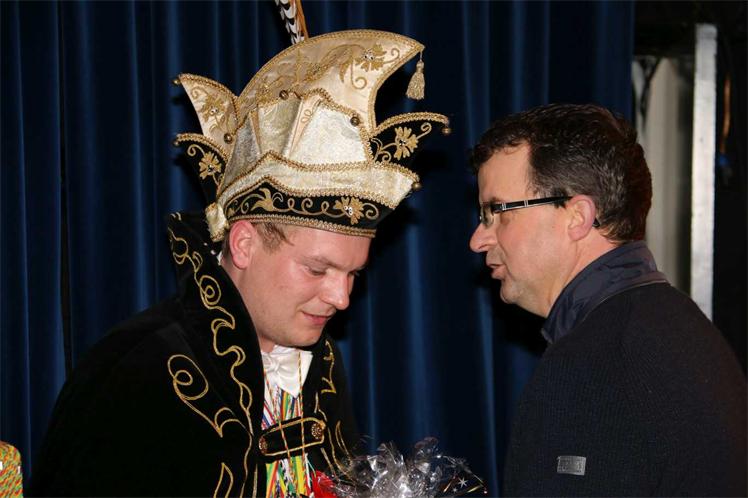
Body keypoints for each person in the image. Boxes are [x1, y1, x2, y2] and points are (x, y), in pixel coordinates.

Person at [29, 29, 449, 497]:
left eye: (353, 274)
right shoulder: (138, 369)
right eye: (317, 269)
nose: (341, 298)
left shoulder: (321, 365)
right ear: (244, 244)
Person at [469, 103, 747, 496]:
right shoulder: (682, 326)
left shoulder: (595, 362)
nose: (478, 239)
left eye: (496, 211)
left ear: (577, 216)